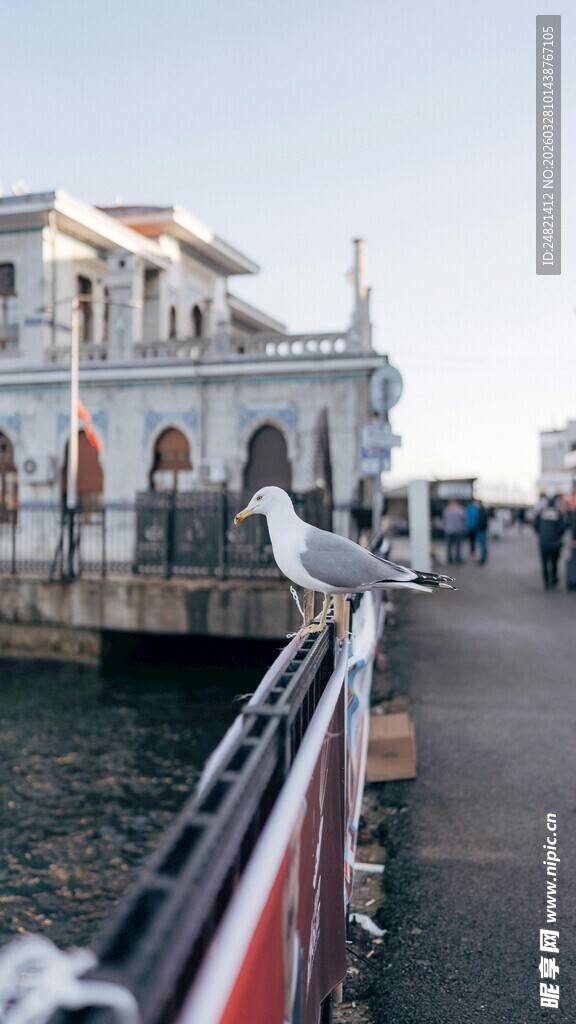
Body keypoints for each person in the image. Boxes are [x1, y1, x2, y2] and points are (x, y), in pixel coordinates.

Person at [533, 494, 567, 590]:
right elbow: (562, 527)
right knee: (554, 562)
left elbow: (535, 526)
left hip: (543, 542)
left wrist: (542, 534)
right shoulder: (558, 513)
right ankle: (553, 579)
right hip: (555, 543)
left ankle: (546, 581)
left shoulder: (541, 512)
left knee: (544, 563)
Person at [442, 500, 465, 564]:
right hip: (456, 530)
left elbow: (444, 520)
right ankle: (457, 559)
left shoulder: (446, 510)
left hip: (450, 530)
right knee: (457, 546)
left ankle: (451, 559)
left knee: (450, 546)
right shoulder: (460, 510)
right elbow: (463, 519)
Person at [476, 500, 489, 565]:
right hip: (483, 529)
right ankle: (483, 557)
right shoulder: (483, 510)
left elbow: (481, 521)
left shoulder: (481, 511)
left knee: (482, 544)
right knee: (483, 544)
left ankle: (483, 558)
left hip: (481, 529)